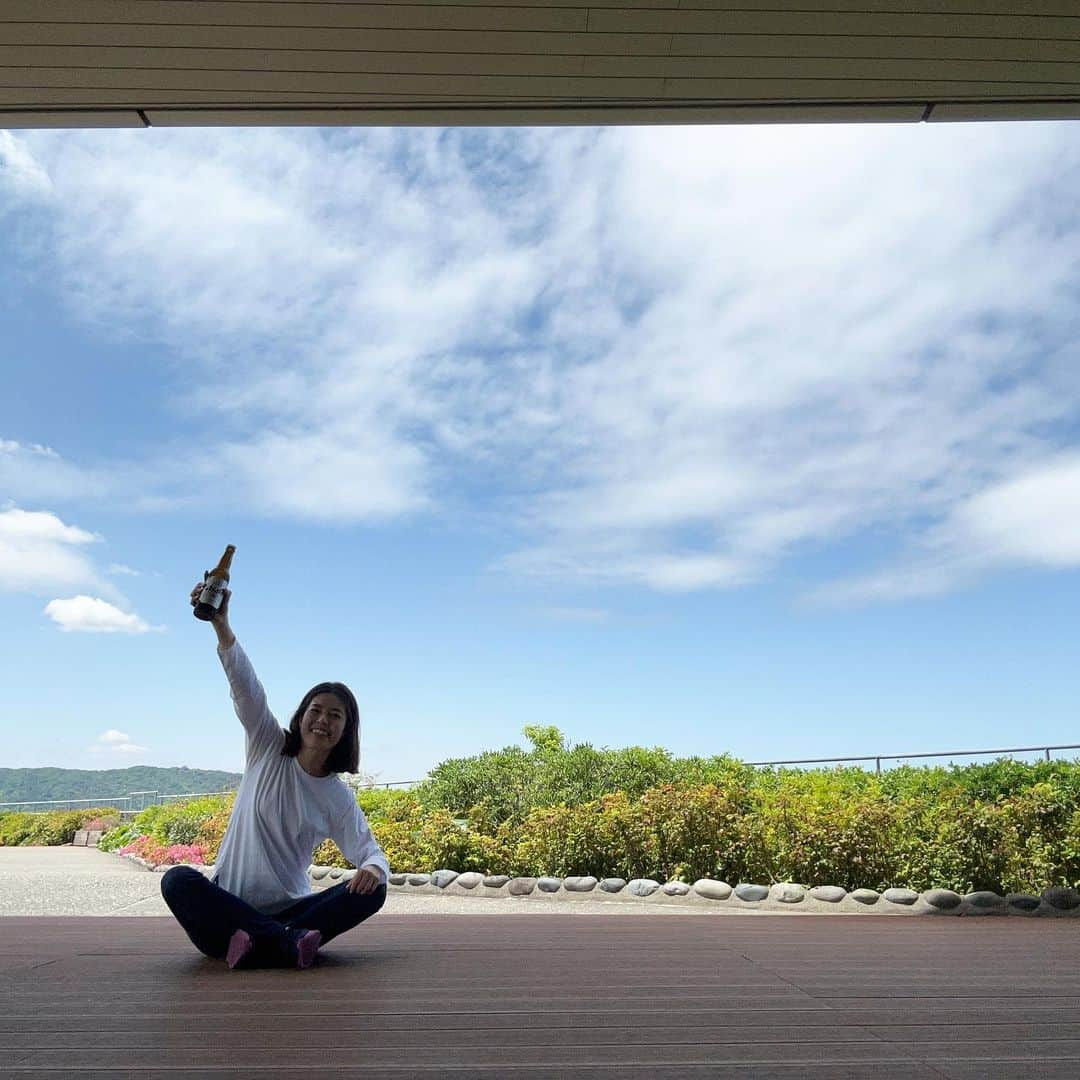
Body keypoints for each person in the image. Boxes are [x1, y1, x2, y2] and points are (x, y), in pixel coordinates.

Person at [159, 581, 389, 970]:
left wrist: (372, 868)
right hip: (226, 913)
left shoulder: (336, 795)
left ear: (345, 731)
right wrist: (221, 626)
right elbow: (246, 689)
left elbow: (370, 851)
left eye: (336, 716)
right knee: (177, 880)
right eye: (317, 710)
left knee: (374, 891)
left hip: (293, 911)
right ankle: (284, 943)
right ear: (301, 716)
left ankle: (265, 941)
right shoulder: (267, 745)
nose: (323, 720)